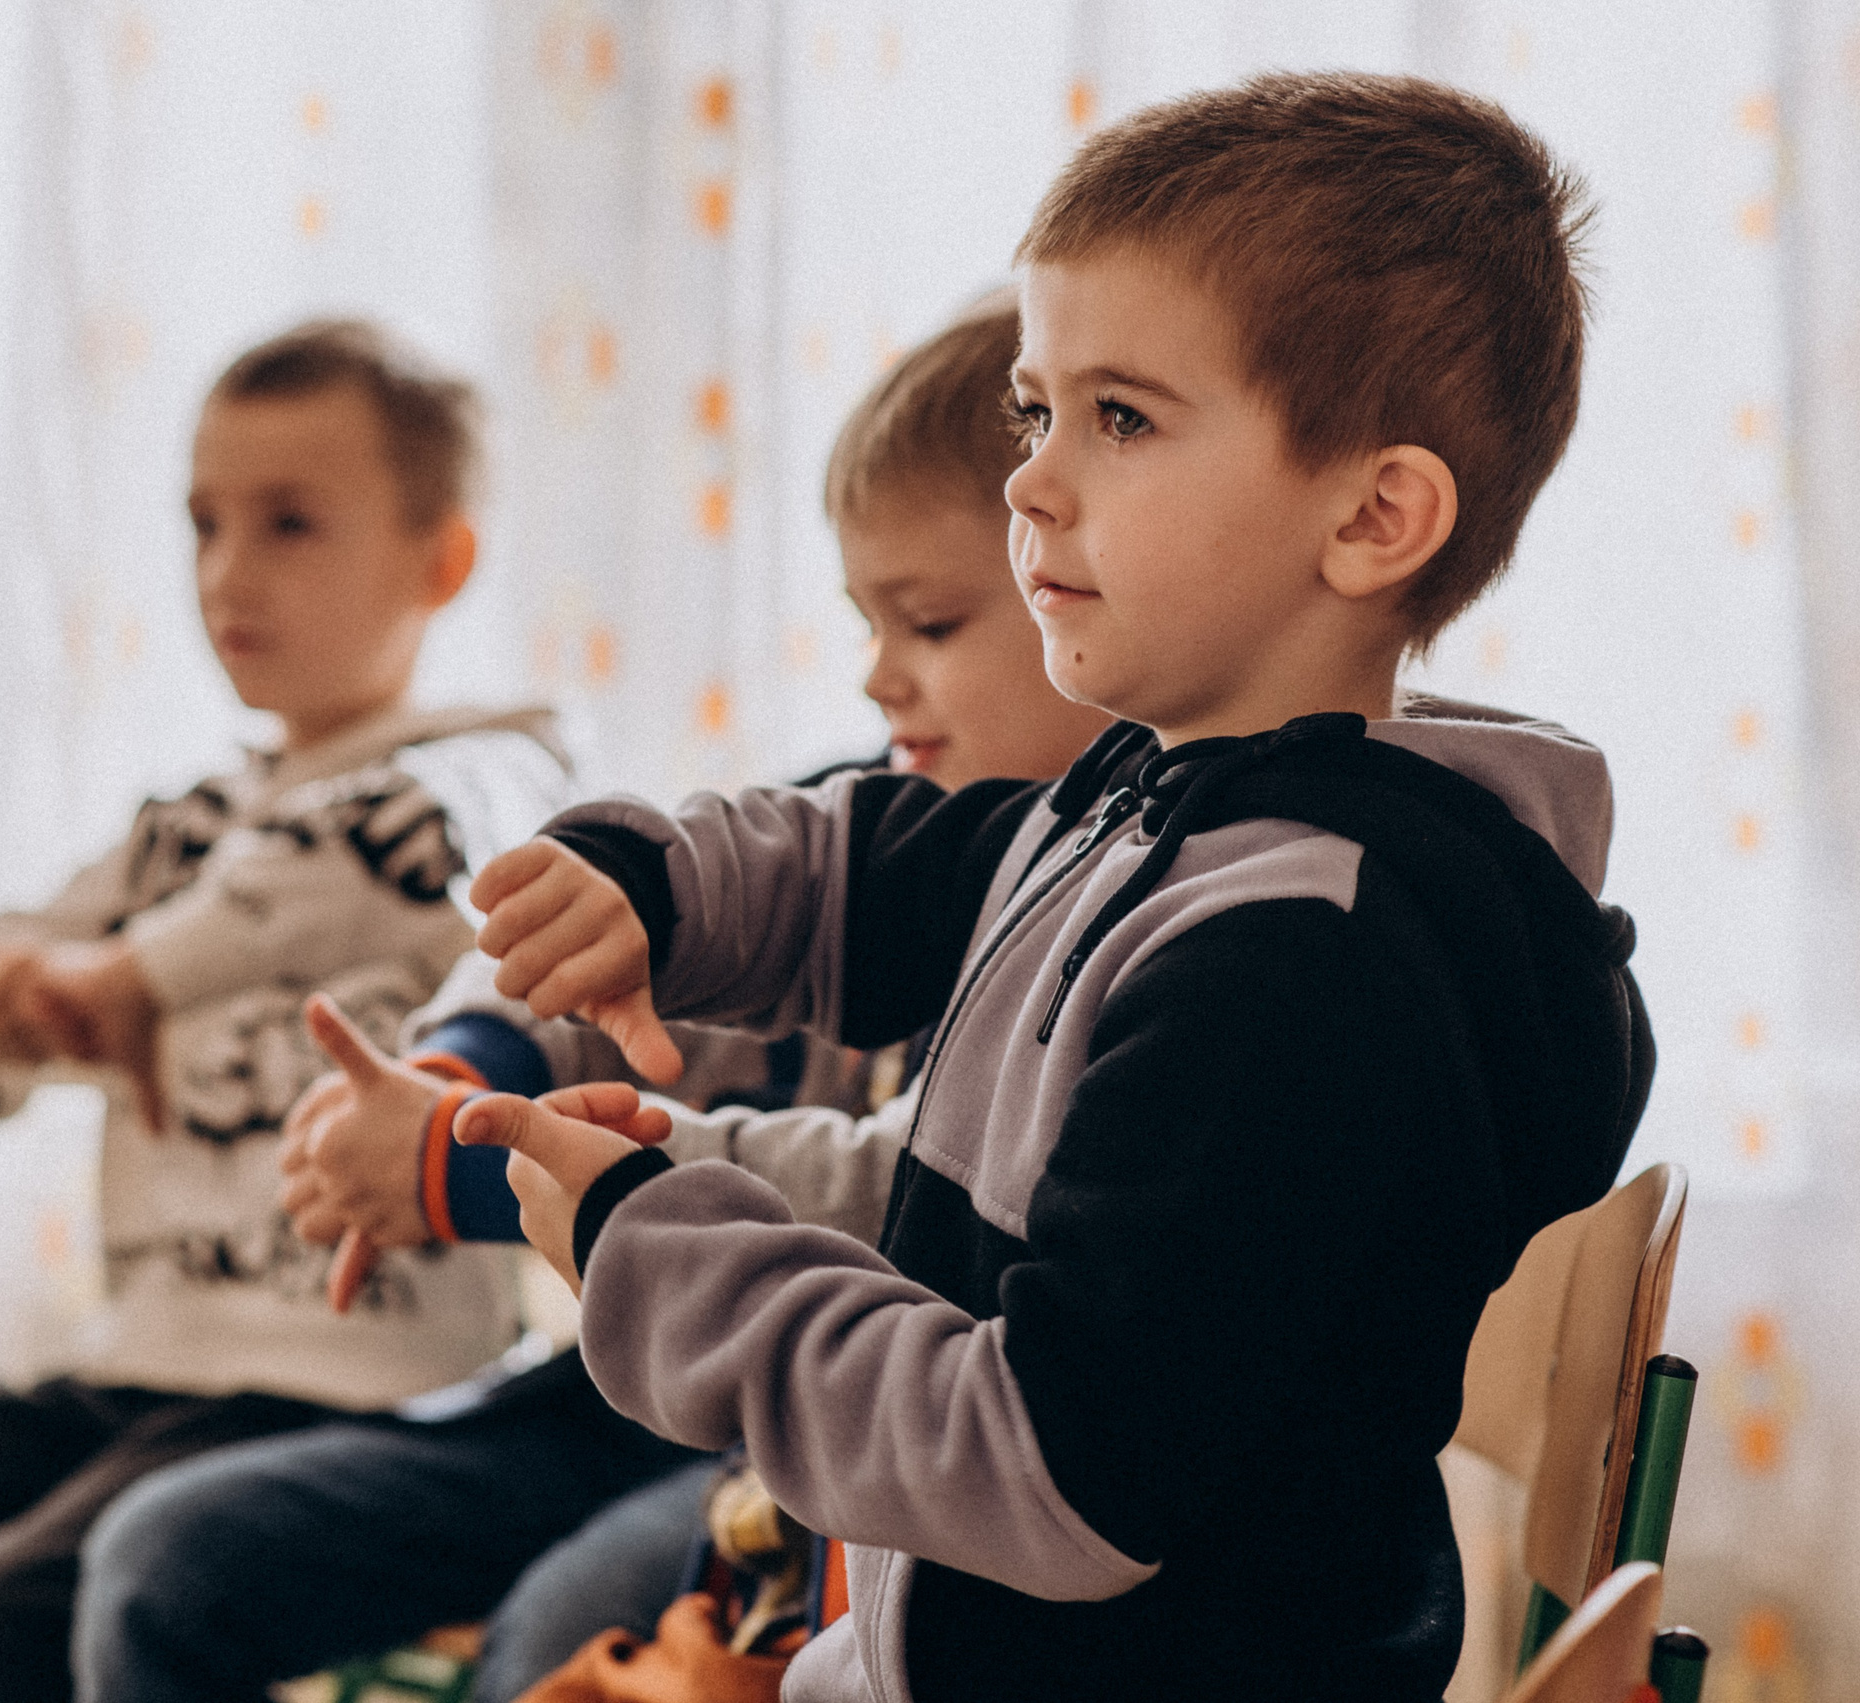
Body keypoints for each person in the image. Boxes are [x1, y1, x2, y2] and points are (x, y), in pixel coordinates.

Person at [455, 73, 1656, 1701]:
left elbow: (1055, 1479)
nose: (1030, 480)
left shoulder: (1304, 962)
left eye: (1123, 417)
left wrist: (668, 1260)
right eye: (1039, 410)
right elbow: (880, 869)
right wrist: (654, 891)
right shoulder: (1160, 812)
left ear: (1374, 515)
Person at [68, 304, 1110, 1703]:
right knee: (164, 1560)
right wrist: (456, 1066)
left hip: (822, 1429)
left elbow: (892, 1191)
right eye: (866, 619)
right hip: (622, 1377)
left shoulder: (1117, 912)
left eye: (929, 621)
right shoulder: (846, 814)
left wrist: (476, 1162)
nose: (877, 673)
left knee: (560, 1649)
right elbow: (577, 943)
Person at [0, 320, 574, 1703]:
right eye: (204, 524)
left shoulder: (493, 776)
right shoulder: (179, 829)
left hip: (346, 1400)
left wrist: (126, 984)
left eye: (290, 525)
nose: (227, 572)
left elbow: (344, 859)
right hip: (137, 1372)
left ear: (439, 561)